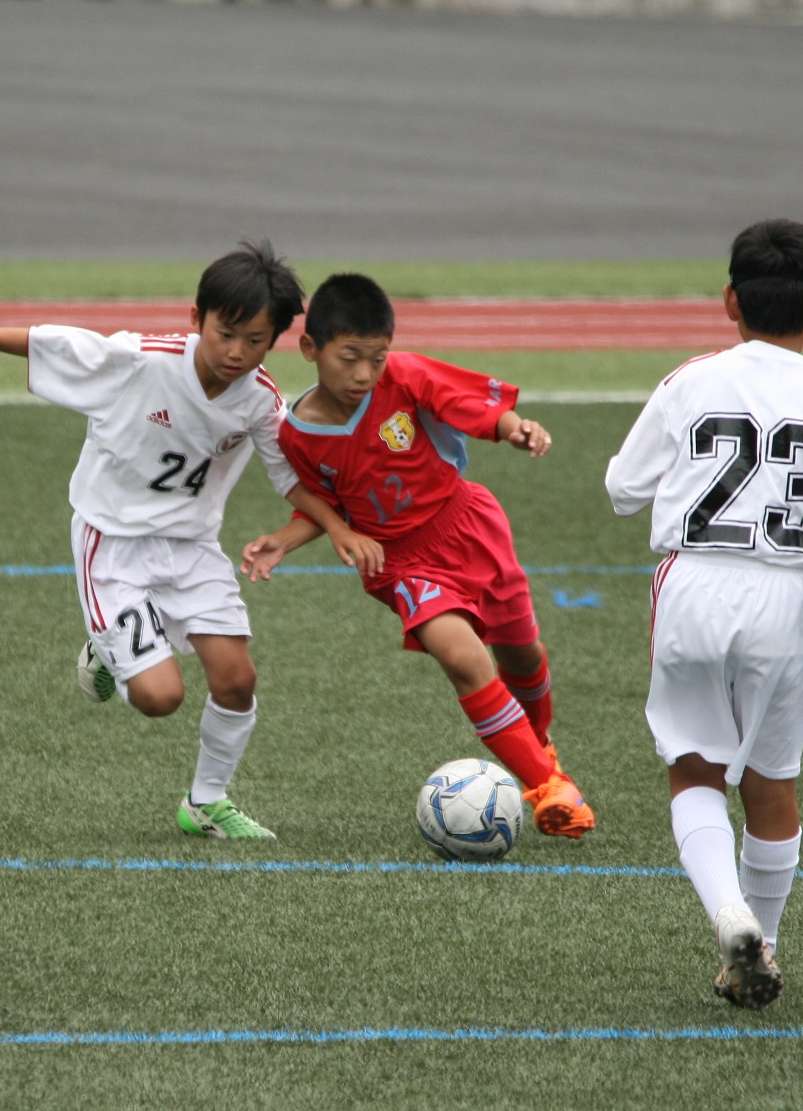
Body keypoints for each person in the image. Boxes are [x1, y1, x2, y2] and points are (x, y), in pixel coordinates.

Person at [604, 219, 803, 1009]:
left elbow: (622, 488)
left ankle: (728, 915)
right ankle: (762, 942)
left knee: (693, 767)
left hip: (693, 584)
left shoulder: (690, 381)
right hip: (786, 597)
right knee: (773, 782)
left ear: (729, 301)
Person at [0, 241, 303, 839]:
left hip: (190, 548)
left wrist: (310, 532)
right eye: (226, 333)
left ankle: (206, 803)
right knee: (161, 698)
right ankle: (106, 648)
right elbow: (49, 343)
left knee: (238, 679)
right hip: (112, 544)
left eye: (256, 340)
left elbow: (296, 479)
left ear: (275, 340)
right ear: (197, 319)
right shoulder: (138, 359)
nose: (237, 352)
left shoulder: (263, 402)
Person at [239, 273, 595, 839]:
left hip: (468, 525)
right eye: (349, 357)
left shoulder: (404, 377)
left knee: (521, 653)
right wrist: (282, 539)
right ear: (310, 349)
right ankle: (548, 785)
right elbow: (326, 508)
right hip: (399, 562)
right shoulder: (296, 436)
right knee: (463, 658)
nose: (363, 374)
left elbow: (466, 404)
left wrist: (514, 429)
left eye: (375, 358)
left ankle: (539, 743)